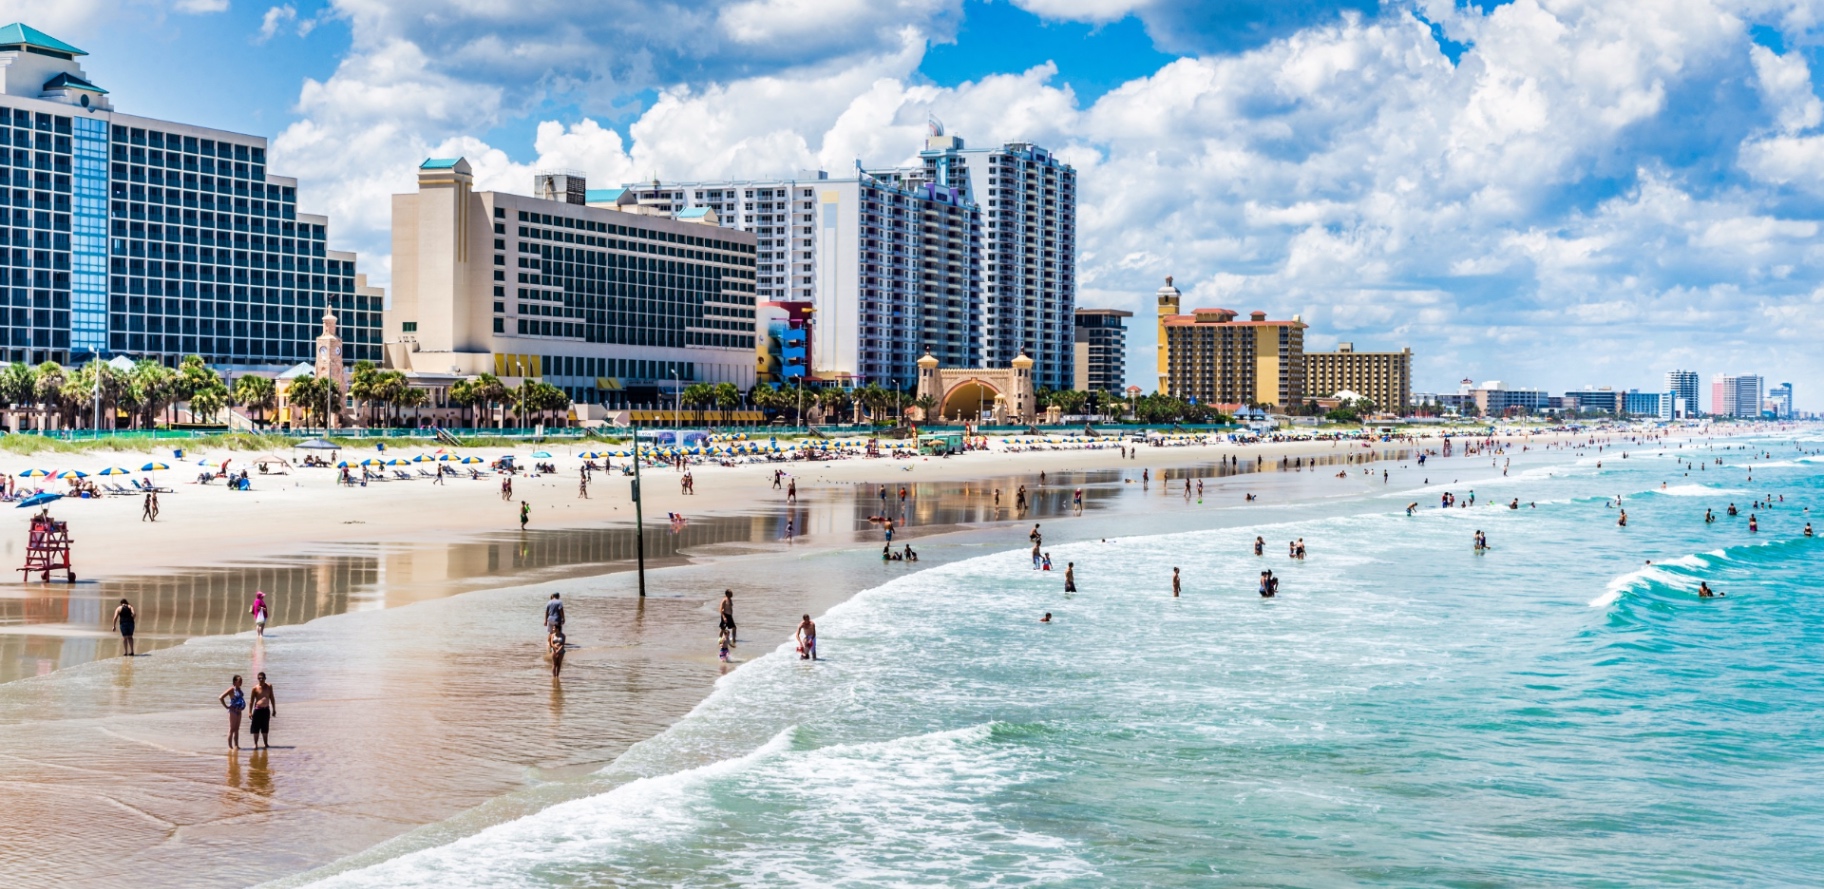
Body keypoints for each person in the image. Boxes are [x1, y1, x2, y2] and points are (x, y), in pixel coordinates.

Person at [248, 672, 276, 750]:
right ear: (258, 679)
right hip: (257, 710)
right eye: (259, 678)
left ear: (265, 678)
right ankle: (255, 744)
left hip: (266, 709)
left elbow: (272, 698)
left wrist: (274, 709)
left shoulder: (269, 686)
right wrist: (250, 712)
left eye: (262, 678)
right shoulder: (255, 688)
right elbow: (251, 701)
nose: (261, 680)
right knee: (256, 728)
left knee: (265, 727)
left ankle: (266, 744)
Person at [219, 675, 246, 751]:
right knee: (232, 729)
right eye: (239, 681)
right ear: (235, 682)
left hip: (239, 711)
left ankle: (236, 745)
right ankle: (230, 747)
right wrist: (226, 706)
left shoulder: (239, 690)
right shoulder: (232, 689)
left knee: (237, 729)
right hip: (233, 711)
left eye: (241, 681)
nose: (241, 682)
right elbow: (221, 697)